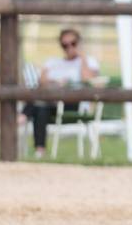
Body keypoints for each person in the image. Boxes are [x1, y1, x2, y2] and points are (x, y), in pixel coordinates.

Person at [23, 28, 100, 158]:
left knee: (39, 105)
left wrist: (82, 58)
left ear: (79, 43)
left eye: (73, 43)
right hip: (51, 102)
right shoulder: (53, 62)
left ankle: (21, 117)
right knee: (40, 108)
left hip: (75, 104)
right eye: (65, 45)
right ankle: (39, 151)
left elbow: (88, 80)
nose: (69, 47)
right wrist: (55, 81)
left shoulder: (89, 61)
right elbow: (41, 82)